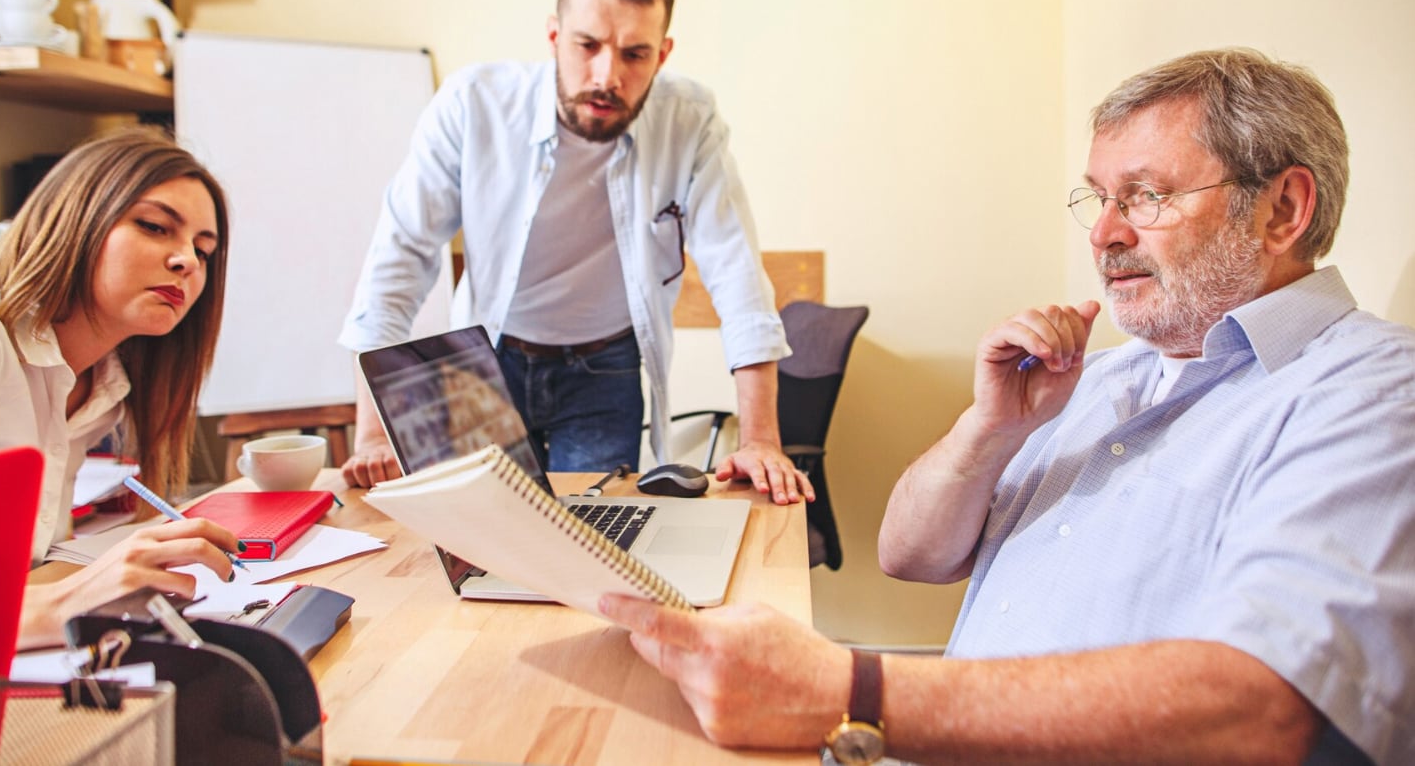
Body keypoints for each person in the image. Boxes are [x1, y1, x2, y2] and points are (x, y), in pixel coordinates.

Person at [601, 48, 1415, 764]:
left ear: (1284, 210)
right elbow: (909, 554)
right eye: (1098, 197)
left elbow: (1264, 711)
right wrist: (988, 427)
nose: (1103, 234)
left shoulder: (1369, 393)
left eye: (1145, 196)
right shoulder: (1099, 379)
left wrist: (849, 690)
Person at [339, 0, 812, 505]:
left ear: (662, 55)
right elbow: (400, 257)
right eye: (587, 45)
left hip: (604, 371)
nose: (606, 76)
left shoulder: (690, 120)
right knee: (483, 540)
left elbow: (735, 270)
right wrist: (371, 432)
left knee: (591, 546)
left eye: (635, 55)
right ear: (554, 36)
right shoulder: (473, 104)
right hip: (487, 364)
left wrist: (760, 439)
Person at [0, 126, 243, 650]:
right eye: (155, 226)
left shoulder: (101, 392)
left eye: (204, 251)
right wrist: (65, 605)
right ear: (77, 219)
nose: (187, 261)